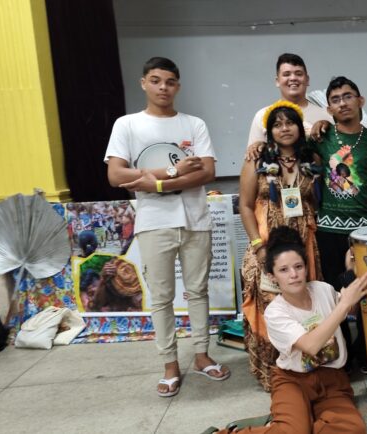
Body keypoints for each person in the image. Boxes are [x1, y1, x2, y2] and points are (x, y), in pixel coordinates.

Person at [104, 56, 230, 398]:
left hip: (195, 219)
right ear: (144, 82)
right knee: (161, 297)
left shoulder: (194, 124)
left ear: (178, 86)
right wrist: (171, 174)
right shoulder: (127, 125)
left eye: (170, 82)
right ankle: (170, 365)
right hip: (154, 222)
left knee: (198, 290)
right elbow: (116, 175)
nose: (163, 87)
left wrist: (150, 181)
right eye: (156, 80)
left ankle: (203, 355)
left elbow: (206, 173)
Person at [213, 227, 367, 434]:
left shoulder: (323, 289)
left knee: (353, 429)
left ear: (306, 267)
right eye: (284, 270)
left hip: (333, 378)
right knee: (292, 432)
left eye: (298, 266)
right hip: (293, 379)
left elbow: (352, 308)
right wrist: (343, 306)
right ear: (273, 276)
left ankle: (290, 424)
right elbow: (311, 345)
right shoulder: (275, 312)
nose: (294, 275)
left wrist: (351, 272)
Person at [239, 100, 323, 391]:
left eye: (290, 123)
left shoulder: (312, 157)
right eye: (277, 124)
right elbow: (246, 206)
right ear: (269, 131)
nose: (284, 128)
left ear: (300, 128)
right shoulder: (257, 160)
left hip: (303, 243)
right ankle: (275, 376)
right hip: (267, 242)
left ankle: (304, 368)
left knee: (302, 304)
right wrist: (259, 246)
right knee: (270, 306)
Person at [314, 76, 367, 370]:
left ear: (361, 101)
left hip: (364, 231)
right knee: (334, 296)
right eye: (335, 99)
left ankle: (365, 351)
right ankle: (342, 354)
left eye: (348, 96)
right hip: (328, 230)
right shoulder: (321, 139)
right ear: (329, 108)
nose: (343, 102)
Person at [246, 53, 333, 152]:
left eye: (298, 74)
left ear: (307, 79)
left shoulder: (326, 116)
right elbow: (252, 160)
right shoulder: (262, 115)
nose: (293, 78)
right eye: (286, 74)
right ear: (277, 81)